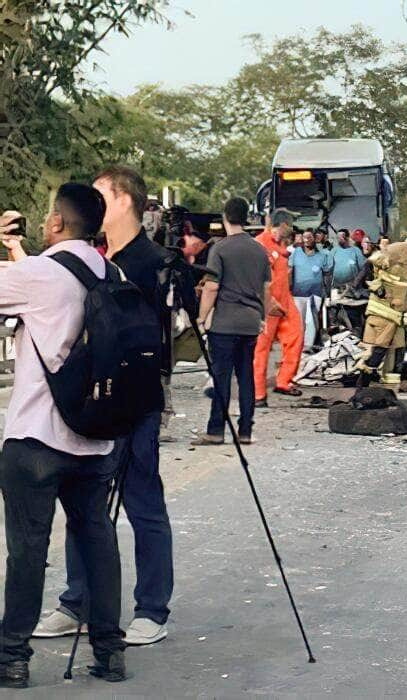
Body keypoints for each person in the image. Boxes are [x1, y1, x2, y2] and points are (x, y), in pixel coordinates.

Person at [33, 166, 175, 648]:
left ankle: (152, 608)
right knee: (83, 501)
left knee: (141, 500)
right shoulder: (91, 258)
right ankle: (78, 601)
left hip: (137, 399)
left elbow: (166, 338)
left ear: (123, 201)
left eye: (100, 196)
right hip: (91, 398)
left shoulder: (153, 261)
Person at [0, 189, 128, 686]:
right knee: (97, 539)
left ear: (54, 222)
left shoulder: (39, 274)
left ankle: (12, 656)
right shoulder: (109, 273)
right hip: (95, 438)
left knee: (28, 549)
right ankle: (110, 651)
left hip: (37, 438)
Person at [192, 198, 271, 446]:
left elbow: (212, 287)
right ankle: (245, 430)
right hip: (250, 323)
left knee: (222, 376)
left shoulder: (220, 249)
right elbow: (266, 289)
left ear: (225, 217)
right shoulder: (259, 249)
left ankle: (216, 430)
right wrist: (262, 317)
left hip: (225, 324)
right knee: (246, 375)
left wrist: (202, 317)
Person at [358, 219, 407, 380]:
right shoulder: (396, 249)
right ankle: (364, 379)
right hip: (384, 309)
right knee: (380, 347)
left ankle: (387, 385)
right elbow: (369, 266)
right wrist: (377, 288)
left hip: (399, 313)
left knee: (396, 348)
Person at [253, 209, 304, 407]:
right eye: (290, 227)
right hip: (268, 302)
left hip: (285, 299)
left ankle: (284, 381)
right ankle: (258, 394)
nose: (291, 231)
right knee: (261, 348)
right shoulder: (260, 244)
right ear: (282, 225)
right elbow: (258, 277)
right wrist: (268, 302)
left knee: (296, 335)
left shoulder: (281, 244)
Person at [289, 229, 332, 350]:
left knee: (311, 322)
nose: (307, 239)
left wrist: (328, 295)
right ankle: (298, 345)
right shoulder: (296, 253)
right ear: (302, 239)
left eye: (310, 237)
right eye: (305, 237)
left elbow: (327, 275)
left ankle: (307, 347)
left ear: (315, 239)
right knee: (298, 322)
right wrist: (287, 290)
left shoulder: (322, 255)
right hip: (298, 293)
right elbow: (289, 271)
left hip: (315, 293)